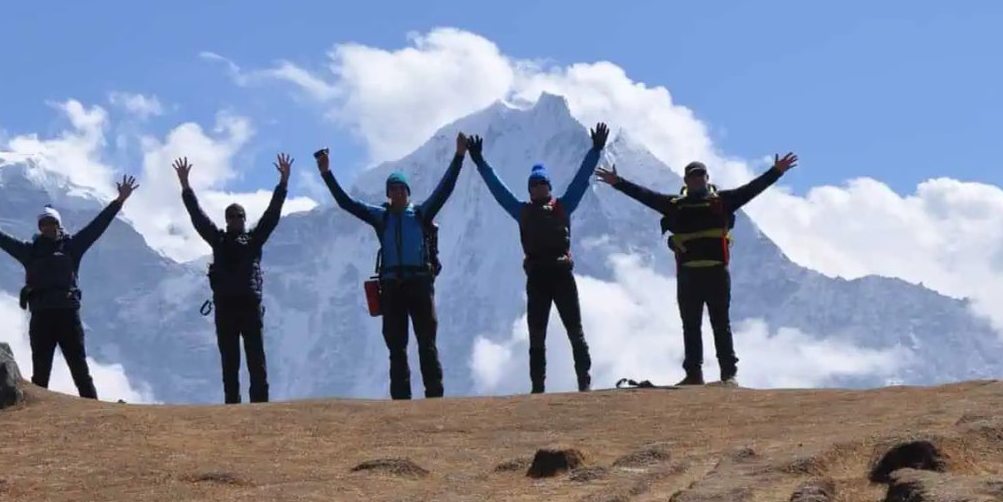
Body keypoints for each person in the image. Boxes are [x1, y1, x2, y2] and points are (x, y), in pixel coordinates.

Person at [595, 153, 798, 386]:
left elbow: (751, 190)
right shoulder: (674, 205)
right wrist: (618, 182)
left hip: (716, 273)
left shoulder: (723, 201)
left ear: (707, 178)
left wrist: (776, 171)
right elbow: (645, 196)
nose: (697, 180)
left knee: (720, 324)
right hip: (688, 275)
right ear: (685, 180)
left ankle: (728, 374)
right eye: (693, 177)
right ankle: (694, 374)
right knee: (691, 326)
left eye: (700, 176)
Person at [316, 133, 468, 400]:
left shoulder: (421, 214)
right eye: (393, 189)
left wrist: (459, 156)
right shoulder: (381, 217)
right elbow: (346, 203)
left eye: (401, 189)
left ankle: (435, 399)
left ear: (408, 193)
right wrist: (326, 173)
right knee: (396, 348)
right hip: (392, 288)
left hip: (419, 284)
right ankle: (401, 402)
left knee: (427, 344)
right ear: (387, 194)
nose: (397, 193)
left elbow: (445, 189)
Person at [0, 176, 138, 398]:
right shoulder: (29, 251)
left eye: (51, 223)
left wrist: (119, 201)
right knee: (41, 375)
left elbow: (96, 227)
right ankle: (38, 417)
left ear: (58, 225)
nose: (47, 227)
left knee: (80, 372)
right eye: (44, 224)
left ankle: (96, 413)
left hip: (67, 315)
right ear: (39, 227)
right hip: (42, 316)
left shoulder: (72, 247)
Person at [467, 121, 610, 393]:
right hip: (538, 277)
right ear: (530, 189)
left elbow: (581, 179)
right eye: (534, 184)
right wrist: (480, 162)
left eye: (542, 183)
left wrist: (595, 151)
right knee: (537, 335)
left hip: (561, 274)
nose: (539, 187)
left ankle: (584, 380)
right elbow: (498, 190)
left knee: (575, 330)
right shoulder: (522, 211)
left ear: (549, 186)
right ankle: (538, 386)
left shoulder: (563, 207)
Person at [175, 153, 292, 404]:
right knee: (230, 362)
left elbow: (272, 215)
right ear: (226, 220)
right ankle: (232, 409)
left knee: (256, 360)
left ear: (244, 219)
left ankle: (261, 408)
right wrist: (185, 186)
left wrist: (283, 183)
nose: (236, 219)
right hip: (225, 308)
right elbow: (198, 217)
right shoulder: (217, 240)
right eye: (232, 216)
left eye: (240, 216)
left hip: (250, 307)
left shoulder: (254, 240)